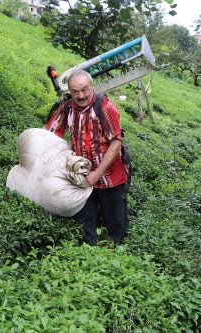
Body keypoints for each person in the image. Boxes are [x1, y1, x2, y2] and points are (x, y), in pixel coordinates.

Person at [44, 69, 129, 245]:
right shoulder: (67, 108)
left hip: (110, 177)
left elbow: (116, 144)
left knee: (114, 220)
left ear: (92, 87)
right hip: (82, 175)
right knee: (86, 221)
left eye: (85, 90)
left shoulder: (105, 107)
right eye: (75, 91)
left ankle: (115, 251)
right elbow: (49, 135)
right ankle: (88, 253)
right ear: (70, 92)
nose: (81, 95)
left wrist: (96, 175)